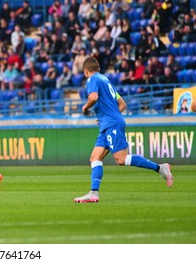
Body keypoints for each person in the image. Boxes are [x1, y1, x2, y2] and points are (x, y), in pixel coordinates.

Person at [74, 57, 173, 203]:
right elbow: (122, 104)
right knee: (95, 158)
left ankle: (160, 168)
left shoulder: (92, 79)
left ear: (85, 71)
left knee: (121, 159)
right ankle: (93, 193)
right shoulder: (106, 81)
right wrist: (107, 116)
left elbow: (93, 97)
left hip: (111, 124)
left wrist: (85, 107)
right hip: (107, 124)